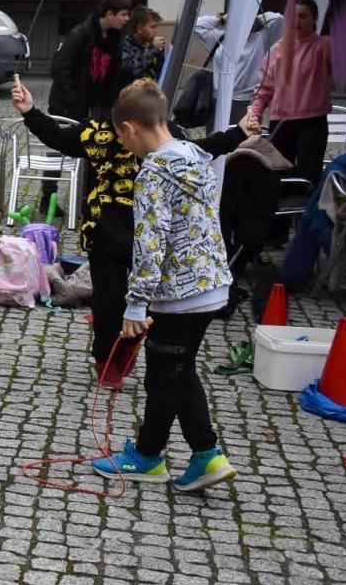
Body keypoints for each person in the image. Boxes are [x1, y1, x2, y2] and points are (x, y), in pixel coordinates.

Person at [11, 76, 259, 372]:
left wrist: (238, 133)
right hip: (104, 232)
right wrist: (29, 111)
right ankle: (107, 361)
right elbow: (58, 137)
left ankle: (140, 351)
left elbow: (202, 148)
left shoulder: (165, 142)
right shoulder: (97, 132)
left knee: (144, 301)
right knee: (108, 303)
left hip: (146, 233)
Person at [92, 83, 237, 493]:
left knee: (168, 374)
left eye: (122, 137)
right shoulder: (194, 155)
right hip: (212, 286)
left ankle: (174, 455)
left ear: (130, 128)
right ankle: (178, 454)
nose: (124, 144)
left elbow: (149, 244)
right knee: (174, 371)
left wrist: (135, 306)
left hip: (181, 294)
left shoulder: (154, 173)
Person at [47, 0, 134, 213]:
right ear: (109, 13)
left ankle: (89, 199)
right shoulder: (80, 34)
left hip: (97, 105)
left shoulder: (115, 39)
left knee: (95, 149)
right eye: (123, 14)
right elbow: (60, 69)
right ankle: (49, 198)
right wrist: (73, 99)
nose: (126, 19)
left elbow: (114, 74)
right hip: (69, 105)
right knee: (58, 148)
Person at [248, 0, 334, 185]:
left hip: (312, 122)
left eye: (303, 16)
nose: (297, 22)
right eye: (293, 17)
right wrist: (254, 114)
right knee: (278, 176)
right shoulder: (277, 50)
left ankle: (304, 213)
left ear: (314, 19)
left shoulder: (324, 47)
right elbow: (263, 89)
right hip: (281, 122)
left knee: (308, 177)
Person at [194, 10, 285, 126]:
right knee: (216, 138)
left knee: (243, 140)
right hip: (218, 98)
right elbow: (197, 25)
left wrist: (252, 14)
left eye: (248, 21)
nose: (243, 25)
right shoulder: (220, 38)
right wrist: (222, 19)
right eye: (239, 21)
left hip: (246, 100)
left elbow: (279, 20)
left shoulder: (261, 39)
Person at [119, 6, 166, 83]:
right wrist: (152, 49)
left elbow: (159, 74)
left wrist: (159, 53)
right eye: (152, 27)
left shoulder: (146, 45)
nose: (155, 31)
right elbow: (133, 70)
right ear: (139, 28)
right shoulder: (125, 46)